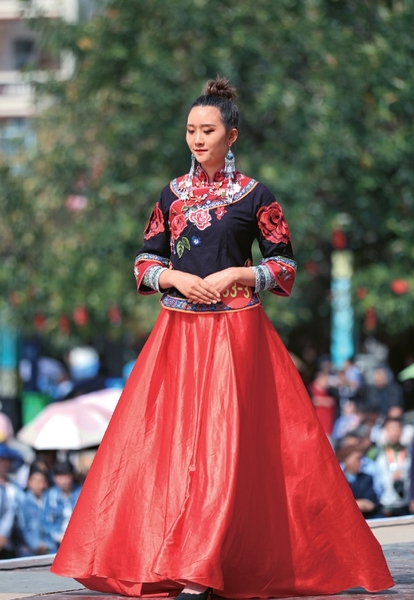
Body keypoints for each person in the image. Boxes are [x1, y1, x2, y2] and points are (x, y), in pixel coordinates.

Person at [51, 77, 393, 598]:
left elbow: (284, 267)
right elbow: (145, 261)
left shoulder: (256, 195)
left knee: (227, 448)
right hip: (178, 332)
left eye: (207, 130)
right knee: (168, 446)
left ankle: (210, 562)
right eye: (190, 130)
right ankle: (175, 557)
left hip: (238, 335)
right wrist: (173, 277)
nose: (197, 139)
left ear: (231, 135)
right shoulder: (172, 194)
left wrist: (239, 275)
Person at [43, 460, 81, 552]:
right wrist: (58, 535)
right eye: (59, 477)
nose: (62, 480)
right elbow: (45, 521)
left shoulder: (82, 492)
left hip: (78, 542)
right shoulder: (50, 495)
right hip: (56, 546)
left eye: (66, 476)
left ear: (72, 476)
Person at [376, 418, 411, 517]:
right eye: (391, 429)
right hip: (385, 504)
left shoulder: (408, 452)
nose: (394, 433)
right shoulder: (377, 452)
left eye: (397, 429)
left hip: (405, 503)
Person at [17, 463, 51, 556]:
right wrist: (36, 545)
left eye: (42, 481)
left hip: (50, 549)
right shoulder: (23, 502)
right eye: (36, 481)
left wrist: (48, 545)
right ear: (29, 482)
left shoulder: (50, 500)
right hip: (29, 551)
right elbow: (22, 527)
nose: (40, 485)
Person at [341, 447, 379, 518]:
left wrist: (346, 505)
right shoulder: (338, 480)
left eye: (361, 459)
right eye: (357, 459)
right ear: (346, 460)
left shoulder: (367, 479)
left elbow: (370, 504)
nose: (360, 462)